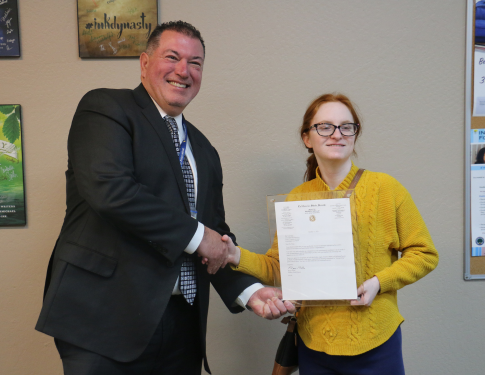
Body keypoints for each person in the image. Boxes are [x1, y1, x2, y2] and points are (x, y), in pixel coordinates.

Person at [35, 21, 294, 375]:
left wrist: (248, 291)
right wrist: (201, 236)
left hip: (181, 326)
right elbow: (111, 191)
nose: (183, 70)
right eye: (172, 57)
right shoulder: (106, 108)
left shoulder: (203, 149)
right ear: (144, 63)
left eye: (196, 63)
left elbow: (214, 233)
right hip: (103, 320)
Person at [225, 93, 439, 375]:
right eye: (325, 126)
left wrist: (378, 282)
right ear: (307, 138)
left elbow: (425, 254)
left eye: (346, 126)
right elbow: (279, 268)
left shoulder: (385, 189)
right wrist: (234, 254)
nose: (337, 134)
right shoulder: (297, 198)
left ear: (355, 134)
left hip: (377, 343)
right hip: (314, 345)